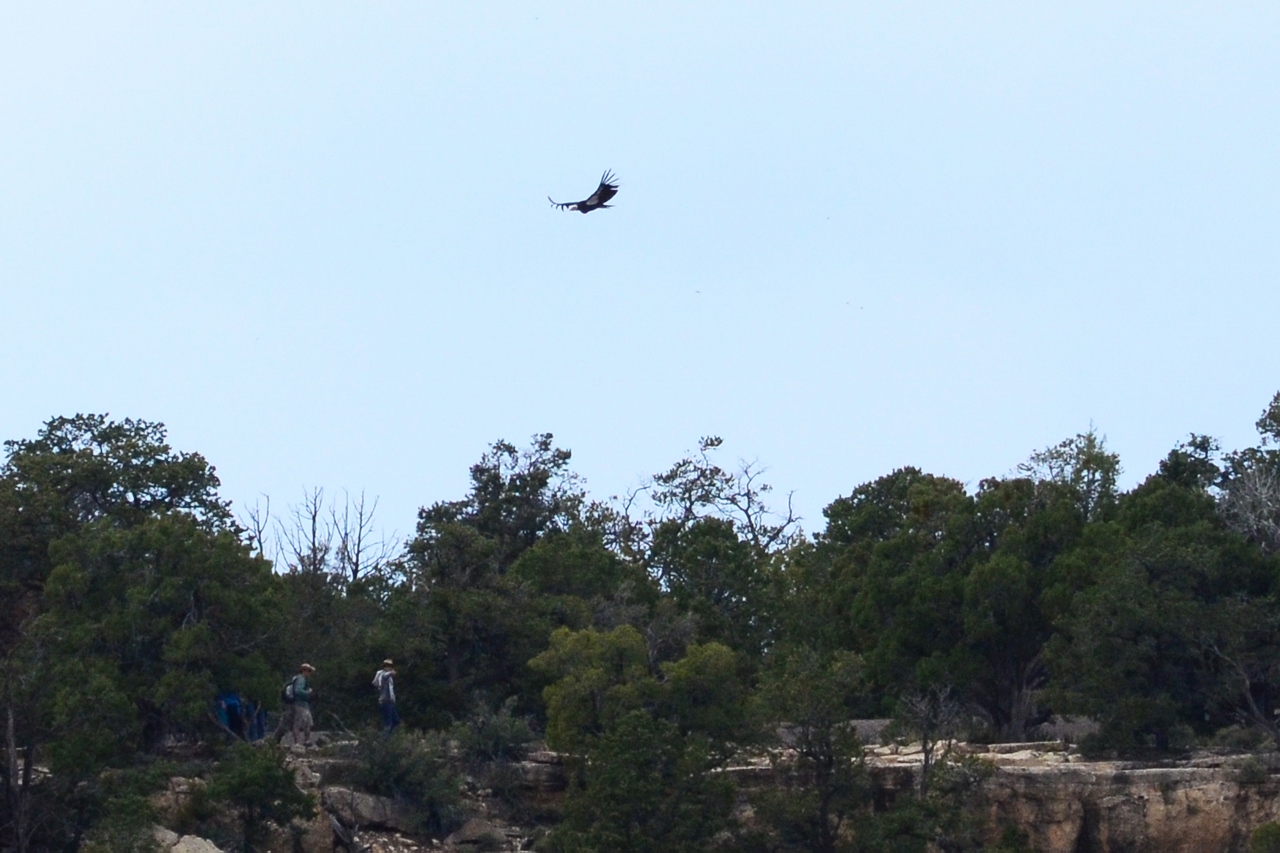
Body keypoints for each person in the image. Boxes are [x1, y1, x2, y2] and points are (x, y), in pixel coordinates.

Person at [274, 663, 316, 746]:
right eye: (309, 671)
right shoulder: (301, 679)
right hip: (300, 705)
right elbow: (298, 691)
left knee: (308, 724)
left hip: (304, 705)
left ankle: (307, 741)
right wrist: (308, 693)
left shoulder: (299, 679)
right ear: (304, 671)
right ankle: (298, 743)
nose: (310, 673)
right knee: (298, 724)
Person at [372, 659, 400, 734]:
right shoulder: (383, 675)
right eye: (387, 666)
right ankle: (383, 740)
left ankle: (388, 738)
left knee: (396, 721)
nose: (389, 668)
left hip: (390, 701)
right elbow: (385, 676)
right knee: (388, 724)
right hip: (386, 701)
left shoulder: (386, 676)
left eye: (390, 666)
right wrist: (391, 673)